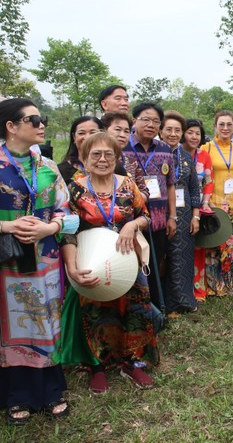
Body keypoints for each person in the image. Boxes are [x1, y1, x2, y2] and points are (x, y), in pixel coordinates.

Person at [0, 98, 72, 423]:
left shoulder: (48, 167)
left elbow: (68, 213)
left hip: (46, 258)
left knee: (47, 321)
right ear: (11, 126)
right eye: (34, 120)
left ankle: (52, 391)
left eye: (42, 119)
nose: (42, 125)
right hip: (7, 261)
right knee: (11, 324)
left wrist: (49, 227)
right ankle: (16, 395)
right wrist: (5, 225)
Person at [62, 132, 158, 391]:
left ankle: (132, 361)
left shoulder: (127, 184)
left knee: (135, 309)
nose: (102, 159)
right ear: (83, 158)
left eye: (109, 154)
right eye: (95, 154)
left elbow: (145, 216)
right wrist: (72, 268)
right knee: (95, 312)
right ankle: (97, 366)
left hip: (127, 260)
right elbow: (67, 231)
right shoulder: (75, 189)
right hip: (92, 260)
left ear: (117, 158)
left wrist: (132, 226)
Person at [122, 102, 177, 308]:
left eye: (156, 121)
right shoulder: (122, 147)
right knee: (133, 262)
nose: (151, 124)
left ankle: (156, 305)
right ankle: (136, 308)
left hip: (159, 218)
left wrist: (173, 217)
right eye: (146, 119)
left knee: (156, 261)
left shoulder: (164, 149)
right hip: (131, 219)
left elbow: (170, 184)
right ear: (134, 121)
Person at [201, 111, 233, 295]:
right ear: (215, 126)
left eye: (229, 124)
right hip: (213, 204)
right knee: (214, 245)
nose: (225, 128)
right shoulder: (207, 148)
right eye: (221, 124)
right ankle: (215, 286)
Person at [160, 111, 202, 315]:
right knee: (162, 258)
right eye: (169, 129)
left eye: (178, 130)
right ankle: (164, 303)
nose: (173, 134)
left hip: (185, 213)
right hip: (159, 212)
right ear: (160, 130)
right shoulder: (155, 153)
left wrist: (196, 215)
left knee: (183, 256)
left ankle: (184, 300)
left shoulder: (186, 156)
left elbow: (194, 187)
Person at [182, 119, 213, 301]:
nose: (194, 137)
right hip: (179, 207)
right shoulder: (176, 155)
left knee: (198, 247)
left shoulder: (204, 156)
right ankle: (183, 289)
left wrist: (206, 203)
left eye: (197, 133)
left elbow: (208, 182)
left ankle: (199, 289)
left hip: (200, 206)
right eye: (190, 132)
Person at [102, 112, 150, 201]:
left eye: (126, 131)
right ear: (104, 130)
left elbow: (145, 191)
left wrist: (131, 198)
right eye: (117, 129)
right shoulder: (96, 161)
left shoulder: (132, 162)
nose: (122, 135)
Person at [57, 116, 105, 185]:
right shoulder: (60, 170)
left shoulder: (112, 167)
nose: (87, 137)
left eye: (93, 132)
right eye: (81, 133)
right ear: (74, 137)